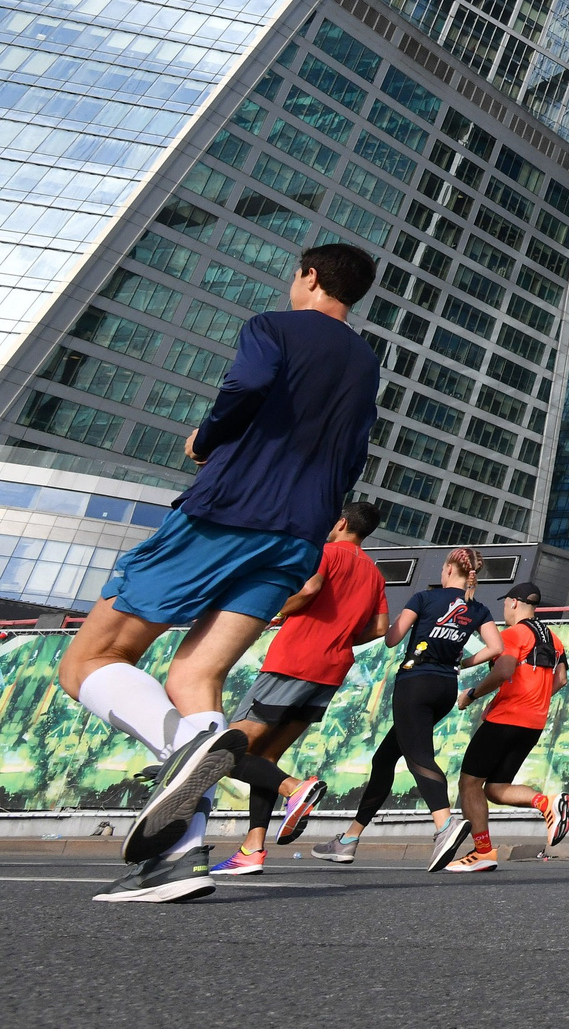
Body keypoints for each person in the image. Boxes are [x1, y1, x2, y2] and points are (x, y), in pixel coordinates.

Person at [64, 245, 380, 903]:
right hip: (297, 536)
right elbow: (353, 452)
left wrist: (207, 438)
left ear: (310, 277)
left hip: (229, 512)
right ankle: (179, 856)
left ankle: (180, 754)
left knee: (90, 660)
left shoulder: (272, 326)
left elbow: (246, 386)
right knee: (193, 676)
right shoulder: (364, 361)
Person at [209, 502, 389, 877]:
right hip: (330, 671)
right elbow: (380, 627)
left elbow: (310, 587)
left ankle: (294, 790)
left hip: (294, 662)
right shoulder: (374, 573)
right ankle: (252, 850)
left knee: (226, 751)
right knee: (264, 759)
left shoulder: (325, 552)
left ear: (341, 522)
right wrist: (339, 633)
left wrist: (278, 611)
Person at [323, 545, 501, 869]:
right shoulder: (478, 609)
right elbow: (496, 647)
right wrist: (463, 661)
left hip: (415, 683)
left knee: (418, 756)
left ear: (448, 569)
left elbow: (392, 638)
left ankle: (444, 825)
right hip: (445, 687)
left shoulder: (424, 598)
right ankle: (349, 839)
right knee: (385, 758)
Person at [441, 584, 569, 873]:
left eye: (505, 604)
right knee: (496, 788)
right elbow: (561, 679)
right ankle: (545, 802)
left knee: (469, 784)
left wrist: (472, 694)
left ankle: (483, 852)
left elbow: (503, 671)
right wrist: (535, 699)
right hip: (533, 723)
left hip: (505, 719)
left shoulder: (513, 634)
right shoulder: (554, 638)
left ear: (513, 603)